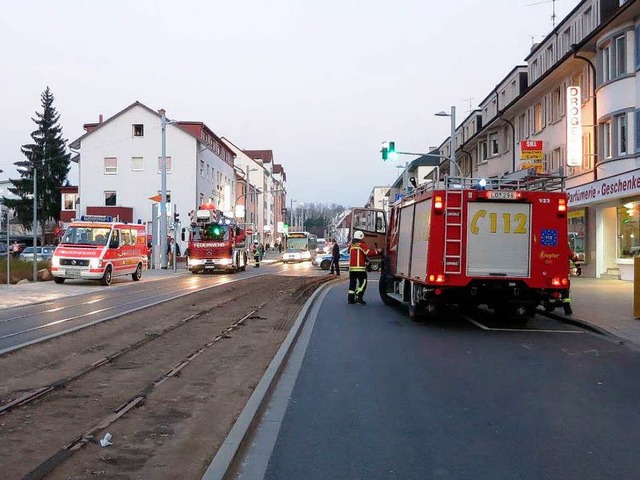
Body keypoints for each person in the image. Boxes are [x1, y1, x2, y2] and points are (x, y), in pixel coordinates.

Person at [347, 230, 379, 305]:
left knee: (352, 284)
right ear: (361, 237)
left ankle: (350, 299)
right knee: (363, 282)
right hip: (360, 268)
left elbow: (350, 252)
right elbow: (368, 253)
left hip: (351, 269)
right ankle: (359, 294)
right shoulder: (361, 245)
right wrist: (377, 251)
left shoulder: (352, 245)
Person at [562, 244, 581, 315]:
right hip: (563, 274)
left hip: (552, 273)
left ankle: (550, 305)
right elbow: (573, 258)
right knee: (565, 292)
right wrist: (578, 268)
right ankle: (567, 309)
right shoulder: (565, 248)